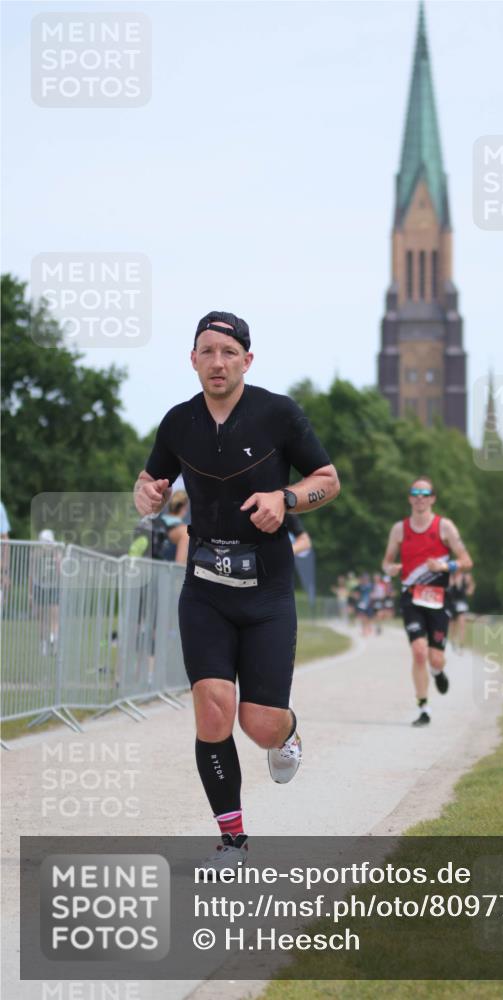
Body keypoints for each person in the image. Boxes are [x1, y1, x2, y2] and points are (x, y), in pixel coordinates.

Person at [133, 310, 339, 862]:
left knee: (259, 723)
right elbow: (150, 480)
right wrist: (146, 494)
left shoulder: (278, 414)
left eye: (228, 352)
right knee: (214, 708)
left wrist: (286, 499)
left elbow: (328, 480)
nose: (217, 362)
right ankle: (233, 839)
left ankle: (287, 733)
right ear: (192, 359)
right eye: (207, 351)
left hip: (267, 592)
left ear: (247, 359)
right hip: (204, 590)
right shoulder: (178, 422)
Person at [382, 477, 473, 727]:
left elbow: (467, 560)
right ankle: (424, 708)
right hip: (411, 597)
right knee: (419, 652)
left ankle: (438, 672)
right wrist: (391, 569)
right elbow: (386, 561)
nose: (420, 497)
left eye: (425, 493)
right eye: (415, 493)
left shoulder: (445, 527)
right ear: (410, 498)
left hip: (438, 599)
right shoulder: (399, 529)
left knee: (435, 658)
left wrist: (446, 565)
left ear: (432, 498)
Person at [30, 529, 61, 656]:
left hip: (51, 587)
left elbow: (60, 573)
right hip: (41, 586)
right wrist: (30, 593)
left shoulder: (54, 554)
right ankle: (46, 644)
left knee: (51, 618)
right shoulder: (36, 554)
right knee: (44, 619)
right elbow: (31, 574)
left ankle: (51, 643)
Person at [447, 569, 475, 651]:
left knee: (462, 624)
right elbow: (449, 589)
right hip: (452, 603)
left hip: (462, 603)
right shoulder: (451, 577)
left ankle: (461, 643)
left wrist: (470, 585)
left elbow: (470, 591)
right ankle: (453, 641)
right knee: (453, 625)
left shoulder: (465, 578)